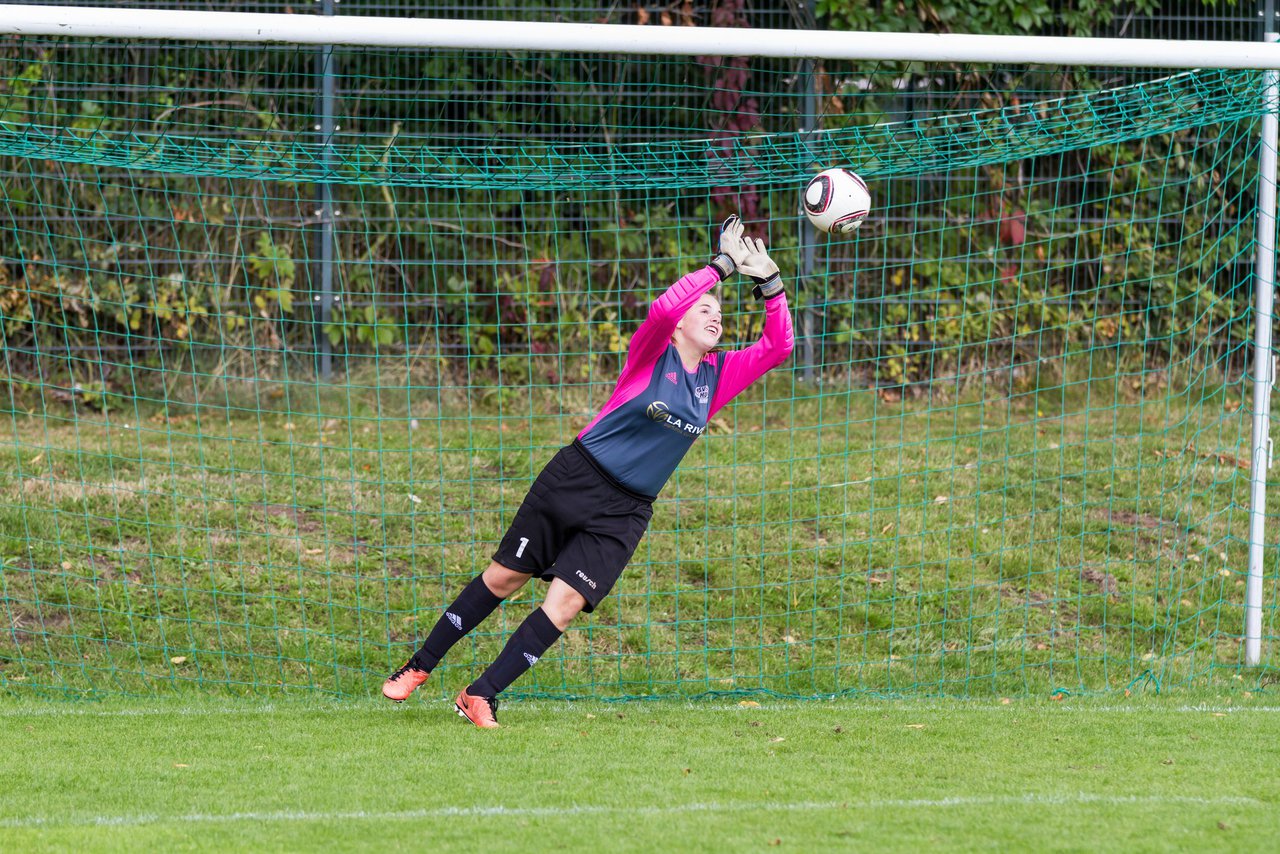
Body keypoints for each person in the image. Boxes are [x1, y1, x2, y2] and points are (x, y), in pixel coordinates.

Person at [382, 215, 794, 727]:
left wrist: (771, 284)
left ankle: (481, 693)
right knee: (505, 577)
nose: (714, 317)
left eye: (720, 313)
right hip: (576, 477)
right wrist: (721, 267)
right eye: (704, 309)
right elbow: (664, 306)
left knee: (566, 604)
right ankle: (419, 666)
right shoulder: (652, 353)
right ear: (683, 324)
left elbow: (779, 347)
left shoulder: (718, 376)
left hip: (627, 511)